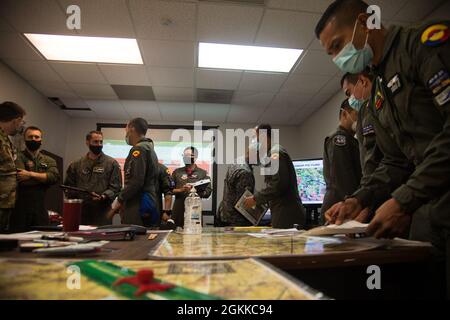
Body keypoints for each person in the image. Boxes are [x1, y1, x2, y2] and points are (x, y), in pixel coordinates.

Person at [315, 0, 450, 297]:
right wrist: (358, 199)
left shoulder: (422, 45)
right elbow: (394, 161)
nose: (339, 58)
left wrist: (401, 201)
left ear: (365, 24)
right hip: (430, 214)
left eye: (338, 46)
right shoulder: (377, 89)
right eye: (331, 54)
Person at [243, 124, 305, 229]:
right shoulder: (270, 154)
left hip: (286, 213)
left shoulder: (275, 154)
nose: (253, 142)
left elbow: (278, 185)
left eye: (255, 138)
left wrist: (255, 198)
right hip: (282, 210)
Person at [64, 130, 122, 226]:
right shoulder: (76, 164)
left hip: (102, 211)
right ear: (87, 142)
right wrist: (81, 196)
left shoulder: (111, 163)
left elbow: (116, 187)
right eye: (95, 142)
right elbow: (68, 187)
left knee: (103, 239)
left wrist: (103, 196)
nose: (99, 144)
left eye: (101, 142)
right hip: (81, 211)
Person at [10, 126, 60, 232]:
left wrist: (30, 174)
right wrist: (44, 180)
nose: (33, 139)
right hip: (20, 209)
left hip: (40, 208)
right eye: (30, 137)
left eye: (36, 137)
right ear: (25, 139)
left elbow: (54, 178)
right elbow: (21, 179)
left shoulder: (49, 160)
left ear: (41, 140)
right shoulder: (17, 157)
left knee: (42, 238)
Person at [111, 118, 160, 227]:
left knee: (135, 241)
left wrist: (119, 201)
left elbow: (135, 182)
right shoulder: (149, 147)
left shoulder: (139, 149)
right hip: (146, 201)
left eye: (126, 130)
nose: (126, 134)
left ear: (132, 128)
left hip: (138, 204)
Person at [321, 99, 361, 219]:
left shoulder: (350, 139)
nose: (360, 119)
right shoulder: (339, 138)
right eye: (357, 115)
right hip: (339, 207)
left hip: (343, 204)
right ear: (344, 114)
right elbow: (343, 178)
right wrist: (352, 203)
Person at [170, 146, 212, 228]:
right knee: (175, 238)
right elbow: (169, 190)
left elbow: (208, 192)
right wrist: (181, 190)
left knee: (194, 237)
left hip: (194, 211)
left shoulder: (203, 173)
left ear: (195, 157)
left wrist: (196, 190)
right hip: (178, 212)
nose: (186, 157)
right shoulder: (176, 172)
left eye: (189, 155)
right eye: (184, 155)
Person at [0, 101, 26, 233]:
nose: (21, 126)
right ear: (16, 120)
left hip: (5, 202)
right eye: (22, 122)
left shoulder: (5, 139)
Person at [217, 150, 256, 227]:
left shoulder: (236, 162)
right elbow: (244, 201)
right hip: (237, 220)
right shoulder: (245, 172)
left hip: (226, 213)